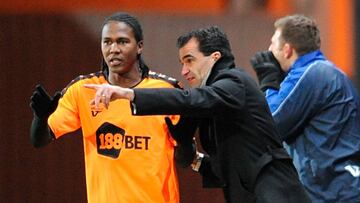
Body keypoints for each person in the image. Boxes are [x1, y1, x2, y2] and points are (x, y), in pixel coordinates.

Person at [84, 26, 311, 202]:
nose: (183, 71)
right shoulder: (213, 99)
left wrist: (129, 94)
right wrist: (194, 159)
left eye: (189, 60)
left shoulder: (234, 83)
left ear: (214, 57)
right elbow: (230, 159)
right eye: (181, 62)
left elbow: (190, 100)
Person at [29, 12, 191, 203]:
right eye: (107, 42)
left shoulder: (166, 91)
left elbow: (184, 160)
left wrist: (185, 142)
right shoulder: (83, 90)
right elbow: (39, 140)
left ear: (139, 46)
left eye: (122, 42)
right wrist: (40, 118)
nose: (113, 49)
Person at [250, 14, 360, 202]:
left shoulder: (311, 73)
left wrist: (268, 81)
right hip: (339, 187)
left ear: (286, 49)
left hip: (331, 191)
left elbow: (270, 124)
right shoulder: (326, 71)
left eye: (273, 43)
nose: (268, 51)